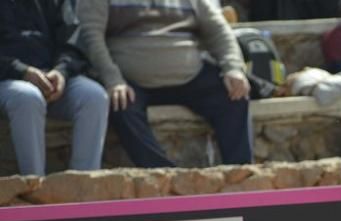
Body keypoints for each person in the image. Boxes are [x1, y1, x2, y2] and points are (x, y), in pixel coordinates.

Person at [77, 0, 253, 168]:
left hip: (190, 76)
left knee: (234, 94)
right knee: (120, 103)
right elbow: (91, 35)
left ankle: (239, 177)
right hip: (129, 80)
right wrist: (112, 79)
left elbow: (218, 31)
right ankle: (165, 178)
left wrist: (233, 68)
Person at [0, 0, 108, 176]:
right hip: (7, 80)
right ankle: (35, 186)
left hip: (53, 78)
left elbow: (73, 42)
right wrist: (22, 71)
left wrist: (61, 72)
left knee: (94, 97)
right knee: (28, 97)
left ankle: (84, 187)